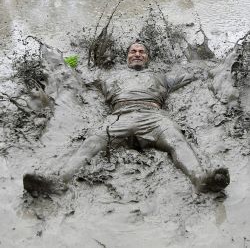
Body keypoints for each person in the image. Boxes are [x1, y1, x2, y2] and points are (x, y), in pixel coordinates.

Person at [23, 42, 230, 195]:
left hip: (154, 117)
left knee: (177, 141)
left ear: (147, 57)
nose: (137, 54)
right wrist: (60, 64)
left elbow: (198, 72)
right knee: (91, 143)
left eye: (141, 52)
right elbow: (76, 79)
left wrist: (219, 64)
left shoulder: (163, 77)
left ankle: (200, 179)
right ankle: (59, 181)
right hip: (118, 117)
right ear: (127, 57)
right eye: (133, 51)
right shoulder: (107, 78)